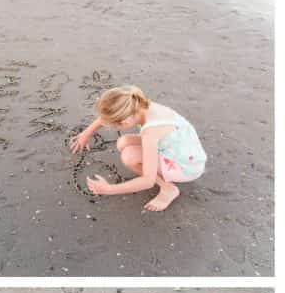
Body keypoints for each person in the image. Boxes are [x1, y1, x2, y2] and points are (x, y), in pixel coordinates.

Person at [69, 85, 206, 212]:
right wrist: (86, 133)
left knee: (129, 156)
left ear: (125, 122)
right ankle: (164, 178)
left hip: (187, 166)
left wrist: (108, 189)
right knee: (123, 142)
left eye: (114, 126)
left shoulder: (150, 133)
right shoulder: (136, 103)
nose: (111, 127)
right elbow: (110, 113)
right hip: (179, 148)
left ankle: (168, 189)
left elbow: (147, 181)